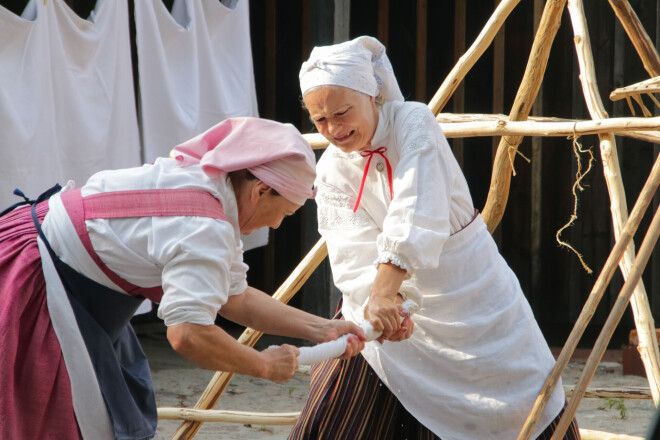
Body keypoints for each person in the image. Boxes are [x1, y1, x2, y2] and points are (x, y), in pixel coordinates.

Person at [0, 117, 366, 440]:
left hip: (36, 252)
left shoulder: (205, 184)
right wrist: (262, 365)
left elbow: (232, 296)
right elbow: (187, 333)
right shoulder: (205, 227)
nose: (275, 224)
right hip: (34, 282)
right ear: (259, 191)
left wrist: (323, 329)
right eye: (283, 213)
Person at [290, 36, 580, 440]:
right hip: (385, 309)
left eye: (342, 113)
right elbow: (350, 254)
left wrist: (385, 295)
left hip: (468, 296)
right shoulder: (332, 170)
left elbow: (415, 206)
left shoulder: (413, 121)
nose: (334, 129)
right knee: (338, 404)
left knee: (516, 401)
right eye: (320, 121)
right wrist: (383, 309)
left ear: (371, 95)